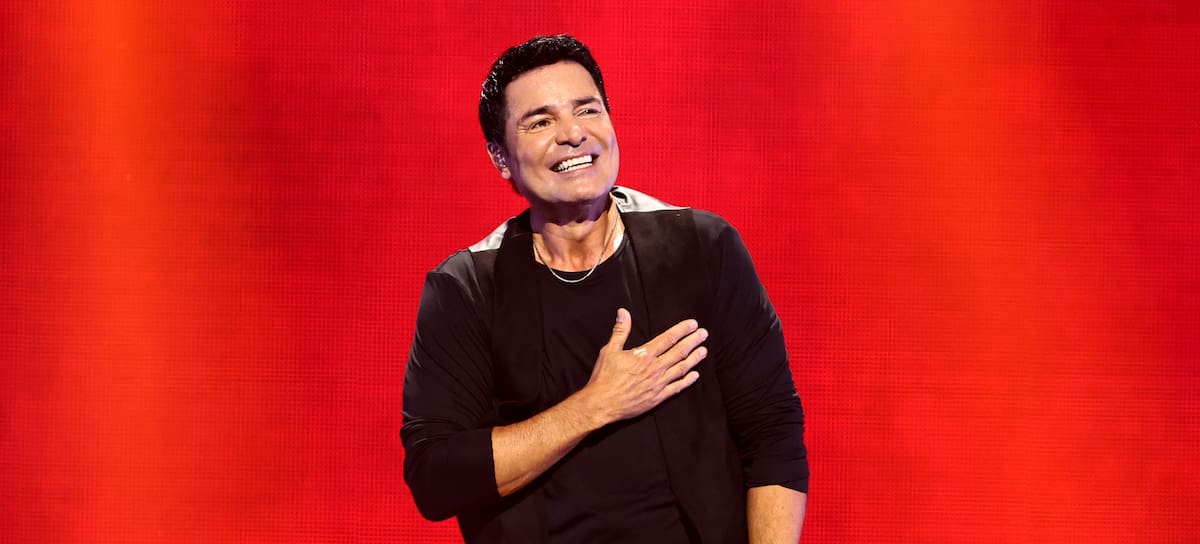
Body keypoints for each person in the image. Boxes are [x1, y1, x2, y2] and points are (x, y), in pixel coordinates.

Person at [402, 34, 808, 543]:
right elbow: (435, 478)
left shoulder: (701, 249)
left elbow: (773, 433)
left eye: (587, 110)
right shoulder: (466, 288)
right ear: (501, 158)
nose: (573, 134)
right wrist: (595, 405)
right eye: (541, 121)